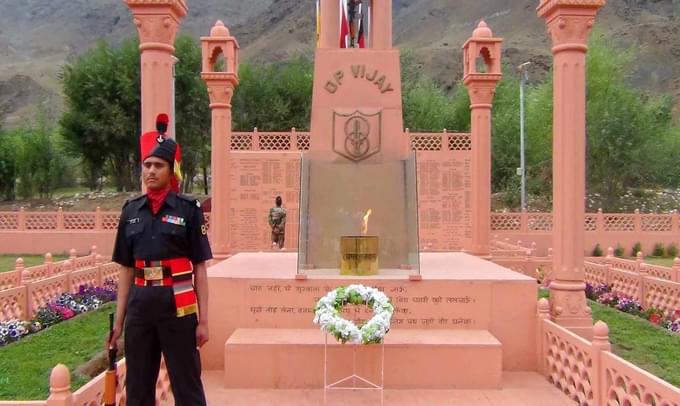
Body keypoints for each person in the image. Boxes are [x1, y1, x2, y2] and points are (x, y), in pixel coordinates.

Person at [108, 136, 211, 406]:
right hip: (140, 304)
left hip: (179, 300)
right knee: (138, 386)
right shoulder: (131, 211)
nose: (151, 171)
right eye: (147, 165)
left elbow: (199, 267)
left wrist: (204, 320)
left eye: (158, 165)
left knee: (186, 383)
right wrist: (119, 322)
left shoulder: (189, 210)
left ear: (171, 170)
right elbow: (126, 271)